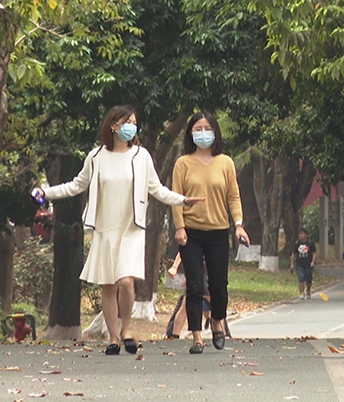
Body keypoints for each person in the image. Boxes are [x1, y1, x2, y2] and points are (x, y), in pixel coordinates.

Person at [34, 105, 204, 356]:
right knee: (108, 285)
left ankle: (127, 329)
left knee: (126, 281)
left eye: (134, 122)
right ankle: (113, 338)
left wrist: (182, 200)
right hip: (105, 229)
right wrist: (45, 192)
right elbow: (76, 185)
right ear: (113, 126)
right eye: (127, 122)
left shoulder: (142, 156)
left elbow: (157, 189)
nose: (132, 127)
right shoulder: (96, 157)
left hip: (131, 229)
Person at [172, 111, 249, 355]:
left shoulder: (225, 162)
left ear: (215, 133)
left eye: (207, 128)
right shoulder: (182, 163)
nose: (203, 133)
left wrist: (238, 224)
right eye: (198, 128)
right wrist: (180, 227)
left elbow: (233, 196)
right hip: (191, 233)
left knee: (218, 286)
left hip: (218, 232)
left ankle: (217, 321)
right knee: (194, 286)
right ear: (190, 133)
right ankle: (196, 336)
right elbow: (176, 199)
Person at [291, 228, 317, 300]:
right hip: (300, 264)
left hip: (308, 264)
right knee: (301, 278)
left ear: (306, 235)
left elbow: (314, 253)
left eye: (302, 234)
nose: (301, 236)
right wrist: (292, 264)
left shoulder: (310, 244)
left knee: (308, 279)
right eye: (299, 234)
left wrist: (313, 261)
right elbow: (294, 254)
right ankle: (301, 292)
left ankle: (308, 290)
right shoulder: (297, 244)